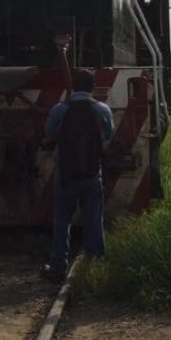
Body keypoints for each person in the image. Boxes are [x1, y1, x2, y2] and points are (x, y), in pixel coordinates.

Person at [39, 69, 114, 283]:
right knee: (93, 219)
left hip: (65, 174)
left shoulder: (59, 109)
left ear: (72, 86)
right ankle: (96, 265)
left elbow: (49, 132)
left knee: (62, 219)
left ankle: (57, 266)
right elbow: (108, 133)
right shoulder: (102, 109)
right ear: (92, 87)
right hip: (92, 173)